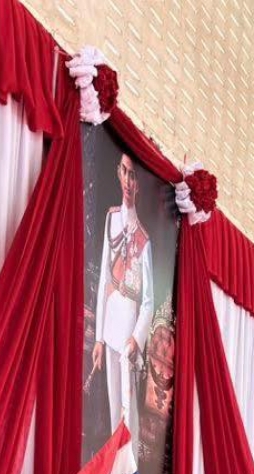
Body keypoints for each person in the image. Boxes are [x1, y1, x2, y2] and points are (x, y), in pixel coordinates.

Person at [92, 153, 154, 444]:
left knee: (129, 416)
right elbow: (105, 279)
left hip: (129, 329)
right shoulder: (111, 219)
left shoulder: (144, 240)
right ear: (119, 173)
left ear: (138, 184)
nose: (128, 181)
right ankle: (115, 467)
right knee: (114, 408)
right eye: (125, 172)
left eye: (133, 176)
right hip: (111, 325)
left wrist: (136, 339)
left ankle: (130, 468)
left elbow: (149, 301)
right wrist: (99, 339)